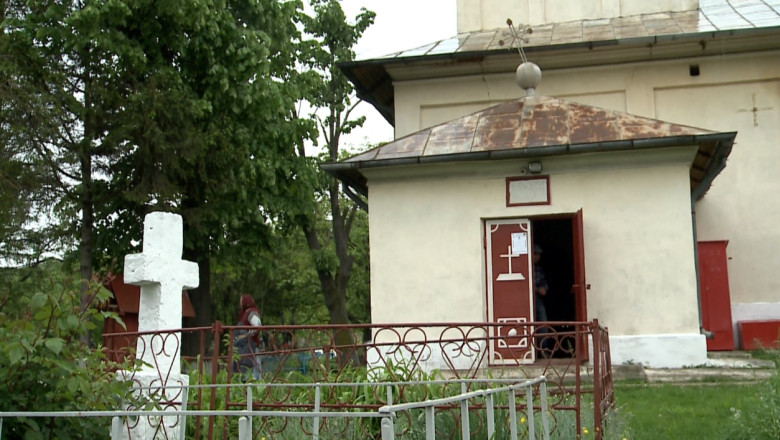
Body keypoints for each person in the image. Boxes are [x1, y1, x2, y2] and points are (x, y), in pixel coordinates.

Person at [234, 293, 263, 380]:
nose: (240, 303)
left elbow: (257, 326)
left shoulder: (252, 312)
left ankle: (254, 386)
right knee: (244, 371)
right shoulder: (244, 314)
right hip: (244, 349)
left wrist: (245, 336)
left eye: (241, 301)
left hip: (251, 348)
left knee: (253, 373)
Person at [532, 244, 553, 355]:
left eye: (539, 255)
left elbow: (544, 289)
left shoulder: (539, 269)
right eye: (535, 254)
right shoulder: (525, 267)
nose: (537, 257)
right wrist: (536, 288)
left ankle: (543, 350)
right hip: (526, 300)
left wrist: (538, 289)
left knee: (543, 324)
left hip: (538, 300)